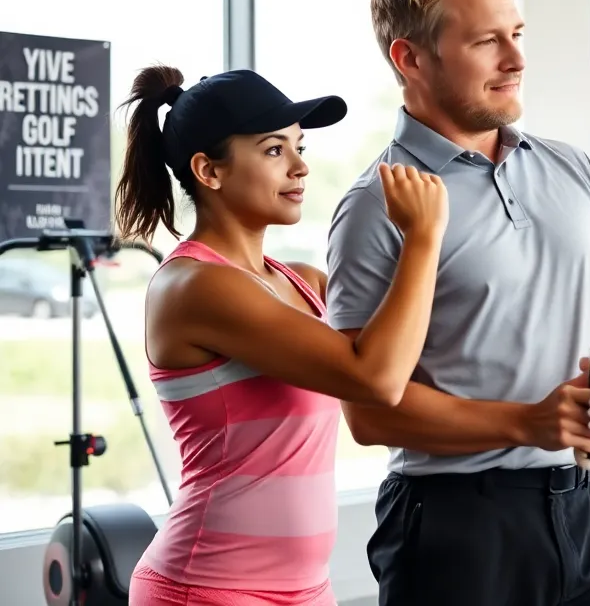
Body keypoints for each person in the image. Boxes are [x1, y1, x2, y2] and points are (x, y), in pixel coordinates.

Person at [325, 0, 590, 606]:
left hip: (584, 507)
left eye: (517, 34)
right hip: (456, 524)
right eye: (487, 41)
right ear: (410, 58)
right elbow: (367, 414)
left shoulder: (574, 169)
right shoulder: (375, 205)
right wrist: (522, 423)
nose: (516, 59)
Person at [114, 66, 448, 606]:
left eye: (299, 146)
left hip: (306, 589)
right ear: (209, 171)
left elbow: (413, 342)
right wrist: (422, 237)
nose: (300, 166)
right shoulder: (195, 286)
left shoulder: (305, 283)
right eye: (274, 150)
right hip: (207, 588)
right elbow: (377, 378)